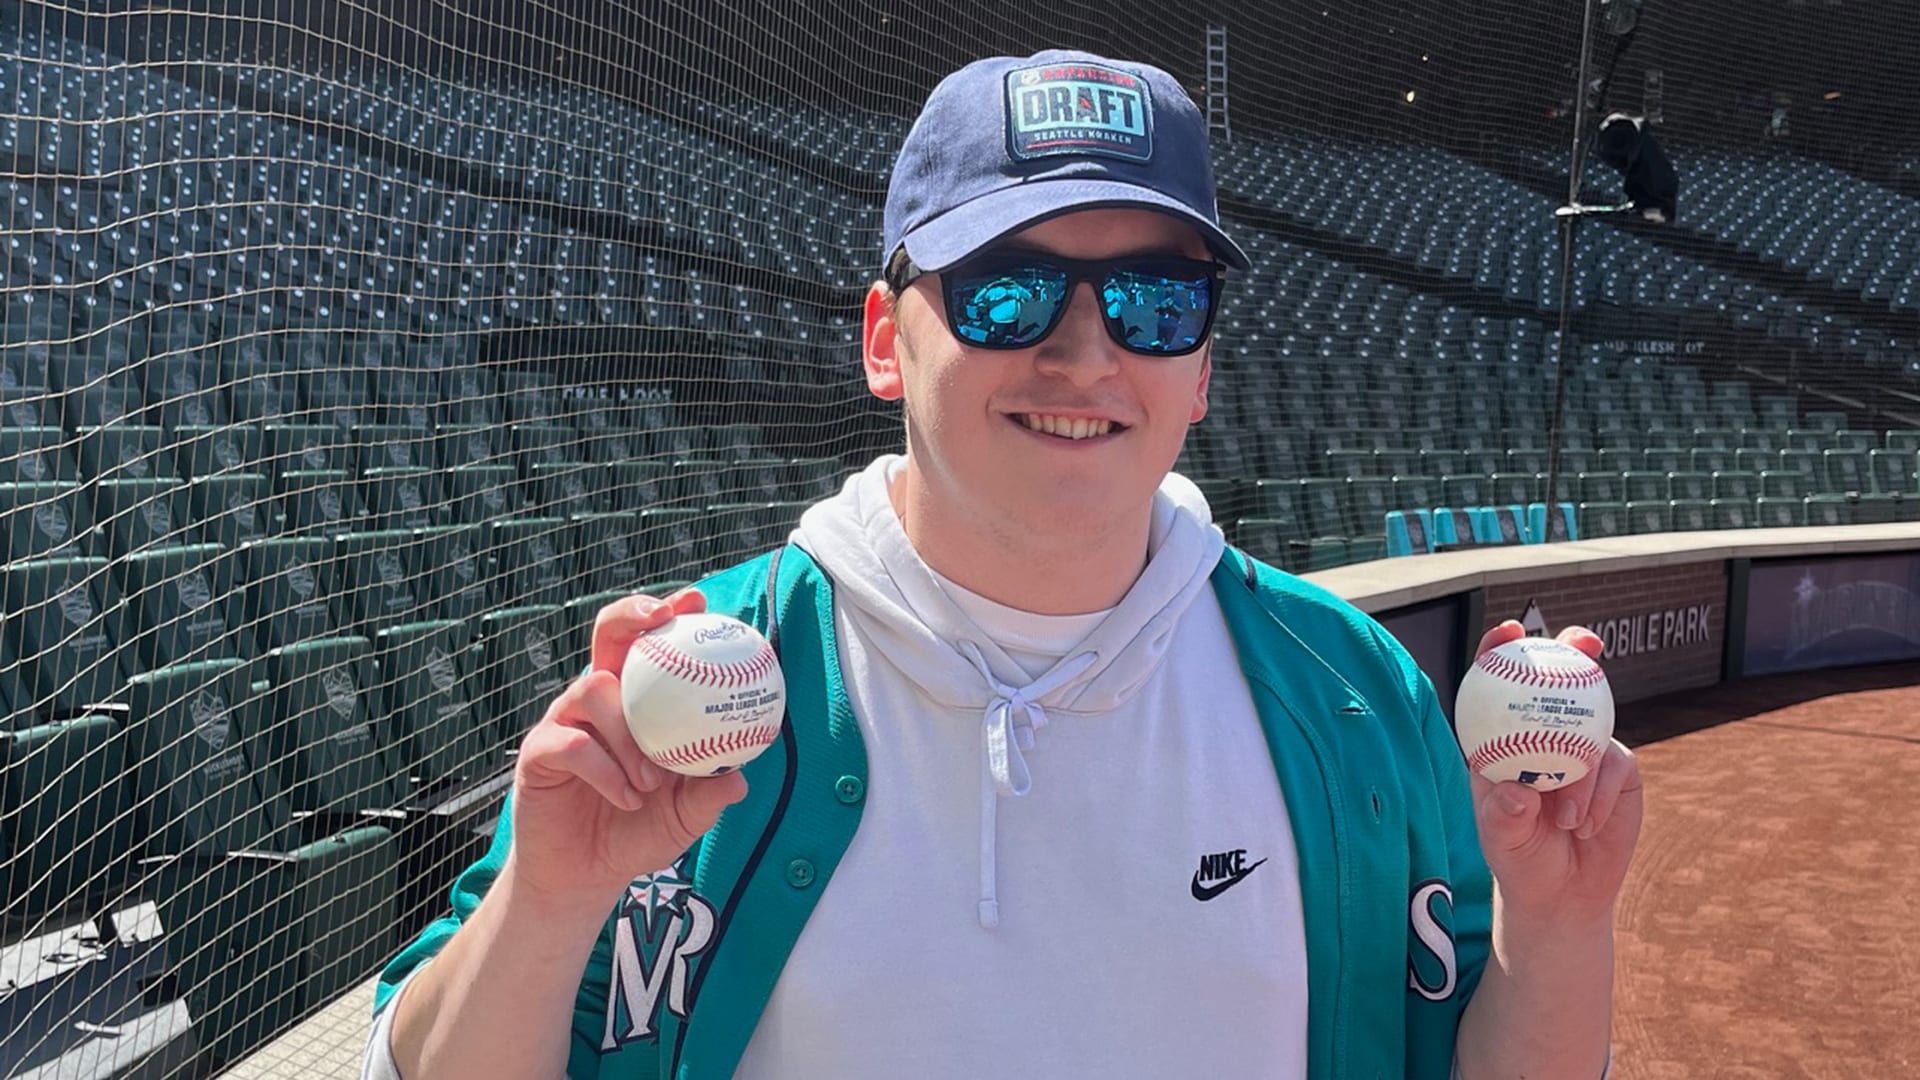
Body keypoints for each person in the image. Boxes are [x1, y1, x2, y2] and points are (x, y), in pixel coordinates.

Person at [364, 48, 1642, 1080]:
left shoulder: (1352, 693)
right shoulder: (704, 691)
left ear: (1198, 370)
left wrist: (1562, 929)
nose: (1085, 354)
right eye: (1006, 290)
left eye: (1153, 302)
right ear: (885, 339)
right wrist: (543, 909)